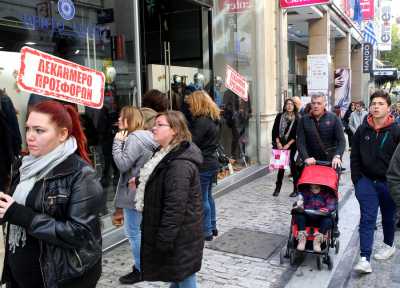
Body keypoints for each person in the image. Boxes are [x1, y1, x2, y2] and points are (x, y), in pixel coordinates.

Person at [0, 100, 103, 288]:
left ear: (62, 134)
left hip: (61, 279)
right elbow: (13, 210)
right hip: (19, 276)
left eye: (39, 131)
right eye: (28, 128)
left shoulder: (81, 174)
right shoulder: (25, 166)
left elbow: (80, 234)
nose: (30, 136)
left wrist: (21, 215)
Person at [134, 111, 204, 288]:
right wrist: (139, 181)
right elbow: (160, 178)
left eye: (159, 124)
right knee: (178, 275)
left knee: (184, 275)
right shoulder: (165, 153)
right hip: (178, 235)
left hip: (180, 236)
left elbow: (175, 206)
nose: (153, 128)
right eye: (154, 124)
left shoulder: (179, 163)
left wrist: (164, 240)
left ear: (174, 130)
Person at [351, 90, 400, 274]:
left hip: (389, 183)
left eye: (380, 103)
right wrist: (357, 181)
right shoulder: (362, 130)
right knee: (368, 218)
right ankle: (364, 258)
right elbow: (354, 156)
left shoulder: (396, 130)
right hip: (366, 181)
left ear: (388, 108)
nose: (376, 106)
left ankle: (389, 245)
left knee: (388, 217)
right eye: (374, 103)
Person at [111, 106, 158, 284]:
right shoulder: (146, 135)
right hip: (143, 189)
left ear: (128, 120)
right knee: (141, 230)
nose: (118, 120)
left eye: (121, 118)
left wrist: (117, 143)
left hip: (133, 192)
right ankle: (147, 265)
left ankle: (140, 269)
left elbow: (123, 164)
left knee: (133, 232)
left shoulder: (134, 138)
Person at [186, 91, 221, 240]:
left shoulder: (202, 121)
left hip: (204, 163)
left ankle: (206, 231)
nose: (189, 107)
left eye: (191, 104)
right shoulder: (214, 118)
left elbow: (193, 142)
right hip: (211, 161)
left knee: (202, 198)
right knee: (208, 196)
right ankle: (212, 226)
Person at [296, 93, 345, 170]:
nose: (316, 106)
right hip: (310, 162)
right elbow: (300, 142)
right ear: (310, 104)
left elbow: (341, 140)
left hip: (330, 162)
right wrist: (305, 158)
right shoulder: (304, 120)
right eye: (313, 103)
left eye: (319, 103)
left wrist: (337, 155)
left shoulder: (334, 118)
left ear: (324, 104)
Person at [293, 184, 335, 252]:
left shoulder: (327, 195)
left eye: (316, 188)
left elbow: (331, 206)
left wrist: (326, 209)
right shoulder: (306, 192)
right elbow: (301, 198)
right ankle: (302, 238)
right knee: (299, 215)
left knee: (328, 220)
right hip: (307, 216)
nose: (313, 190)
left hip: (321, 217)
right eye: (311, 188)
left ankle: (318, 241)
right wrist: (299, 203)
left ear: (321, 187)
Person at [271, 98, 299, 197]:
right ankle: (277, 188)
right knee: (281, 168)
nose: (289, 106)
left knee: (293, 167)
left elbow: (296, 134)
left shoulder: (297, 118)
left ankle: (296, 189)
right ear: (285, 106)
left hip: (292, 145)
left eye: (291, 104)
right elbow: (274, 130)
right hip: (280, 144)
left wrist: (288, 145)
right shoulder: (279, 116)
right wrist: (278, 142)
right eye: (287, 104)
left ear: (294, 106)